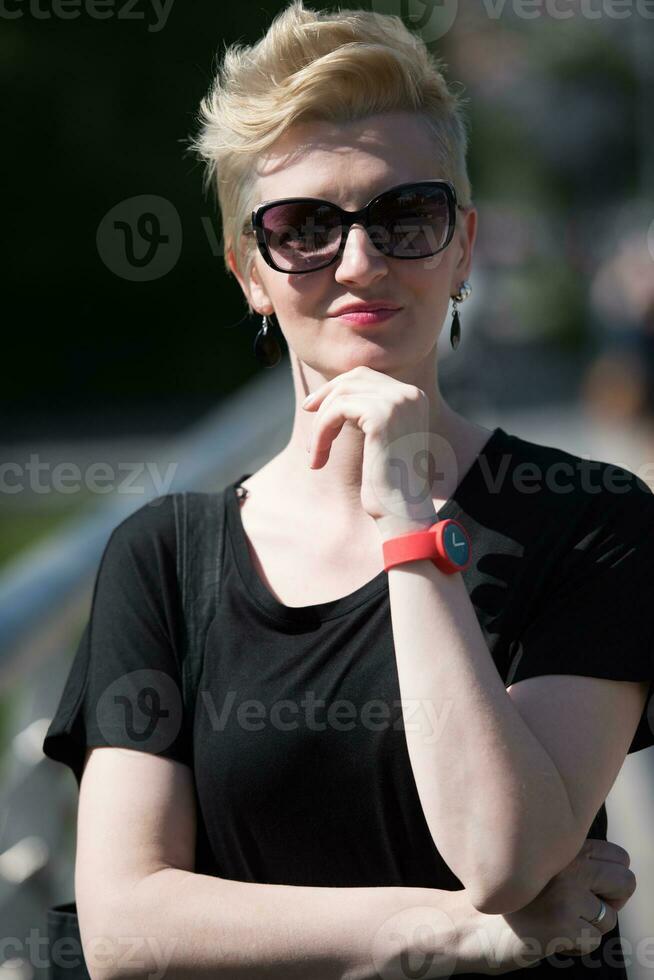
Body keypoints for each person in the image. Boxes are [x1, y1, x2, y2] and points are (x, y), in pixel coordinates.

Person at [42, 1, 654, 976]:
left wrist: (408, 516)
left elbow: (506, 854)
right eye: (304, 227)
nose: (361, 262)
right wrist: (458, 932)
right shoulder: (164, 556)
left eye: (407, 217)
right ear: (250, 270)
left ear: (462, 248)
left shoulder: (593, 518)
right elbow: (126, 925)